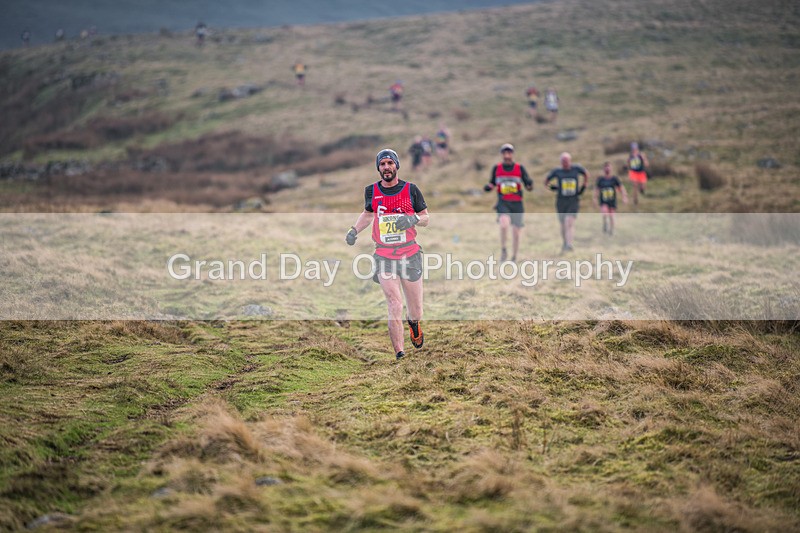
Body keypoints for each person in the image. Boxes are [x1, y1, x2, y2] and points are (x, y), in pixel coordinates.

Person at [346, 149, 429, 360]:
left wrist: (412, 219)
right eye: (382, 164)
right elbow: (368, 213)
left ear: (396, 166)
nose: (386, 167)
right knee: (394, 303)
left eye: (389, 163)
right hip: (384, 255)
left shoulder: (411, 190)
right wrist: (354, 230)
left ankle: (413, 323)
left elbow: (426, 217)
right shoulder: (372, 191)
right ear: (378, 168)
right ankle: (400, 353)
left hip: (410, 253)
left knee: (416, 309)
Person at [483, 143, 533, 262]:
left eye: (509, 152)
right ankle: (504, 249)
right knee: (504, 224)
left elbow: (528, 184)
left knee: (516, 232)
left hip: (517, 203)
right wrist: (488, 187)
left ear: (512, 154)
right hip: (503, 202)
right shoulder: (497, 168)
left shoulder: (519, 168)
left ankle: (514, 256)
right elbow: (492, 182)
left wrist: (530, 185)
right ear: (502, 154)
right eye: (505, 153)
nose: (507, 155)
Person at [545, 152, 589, 252]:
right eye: (563, 161)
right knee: (563, 224)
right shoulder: (557, 171)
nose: (565, 163)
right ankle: (565, 242)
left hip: (573, 200)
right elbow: (546, 181)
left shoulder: (576, 169)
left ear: (570, 161)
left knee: (569, 221)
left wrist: (584, 185)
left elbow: (586, 173)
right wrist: (553, 187)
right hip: (561, 201)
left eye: (567, 161)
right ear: (561, 162)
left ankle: (569, 244)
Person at [593, 162, 628, 235]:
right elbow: (596, 189)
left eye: (608, 167)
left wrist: (624, 196)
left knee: (612, 216)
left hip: (612, 200)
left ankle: (611, 230)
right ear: (603, 169)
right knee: (605, 213)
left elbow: (621, 188)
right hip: (603, 200)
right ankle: (605, 223)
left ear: (611, 169)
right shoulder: (600, 179)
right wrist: (595, 199)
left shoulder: (614, 179)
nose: (607, 169)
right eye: (606, 167)